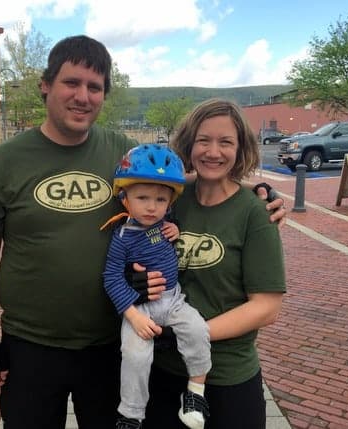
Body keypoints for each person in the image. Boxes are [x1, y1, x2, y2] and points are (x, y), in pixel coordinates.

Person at [0, 35, 286, 429]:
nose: (82, 96)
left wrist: (253, 193)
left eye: (95, 87)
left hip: (107, 343)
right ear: (45, 85)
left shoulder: (121, 152)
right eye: (72, 82)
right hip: (31, 344)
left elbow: (169, 182)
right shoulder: (3, 162)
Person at [142, 99, 287, 429]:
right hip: (163, 372)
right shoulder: (170, 197)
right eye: (204, 140)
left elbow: (266, 307)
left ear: (241, 149)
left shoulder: (255, 213)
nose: (213, 152)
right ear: (189, 143)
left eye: (226, 142)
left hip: (228, 378)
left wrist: (189, 334)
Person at [101, 144, 211, 429]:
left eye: (161, 200)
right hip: (140, 309)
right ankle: (131, 414)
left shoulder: (165, 224)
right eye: (143, 198)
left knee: (198, 330)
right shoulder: (123, 236)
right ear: (125, 199)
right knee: (135, 356)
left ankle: (196, 393)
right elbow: (111, 277)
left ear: (170, 203)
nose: (152, 206)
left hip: (173, 301)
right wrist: (134, 316)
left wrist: (175, 230)